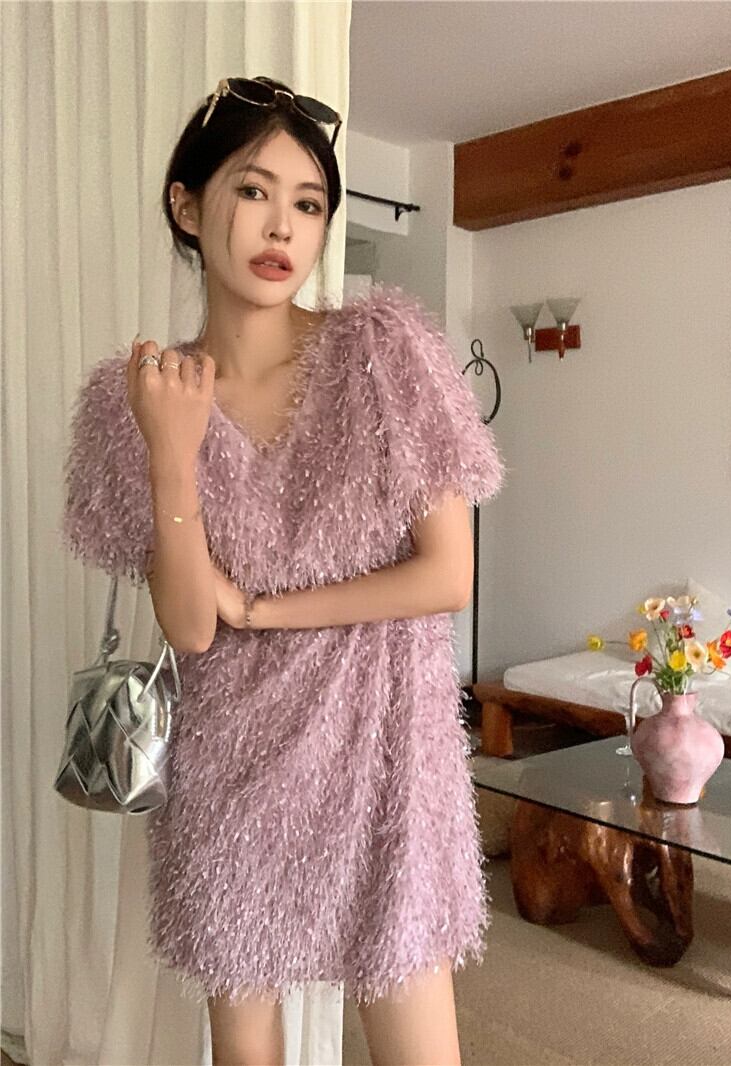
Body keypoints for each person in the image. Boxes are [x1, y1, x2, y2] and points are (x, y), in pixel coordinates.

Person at [60, 75, 506, 1066]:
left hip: (386, 752)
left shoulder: (384, 354)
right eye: (254, 190)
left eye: (308, 203)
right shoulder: (137, 398)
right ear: (187, 205)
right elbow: (189, 626)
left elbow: (446, 575)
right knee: (246, 1046)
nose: (282, 227)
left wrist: (262, 607)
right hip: (230, 759)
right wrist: (171, 454)